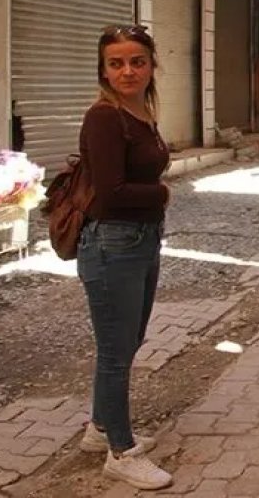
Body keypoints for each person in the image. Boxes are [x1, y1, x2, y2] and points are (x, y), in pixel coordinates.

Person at [76, 25, 173, 490]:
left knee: (127, 343)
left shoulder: (139, 111)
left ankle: (99, 428)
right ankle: (120, 450)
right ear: (104, 69)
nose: (127, 70)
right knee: (116, 353)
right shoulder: (105, 117)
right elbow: (111, 194)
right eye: (116, 63)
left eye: (136, 61)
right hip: (113, 244)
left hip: (139, 240)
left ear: (152, 64)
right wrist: (162, 193)